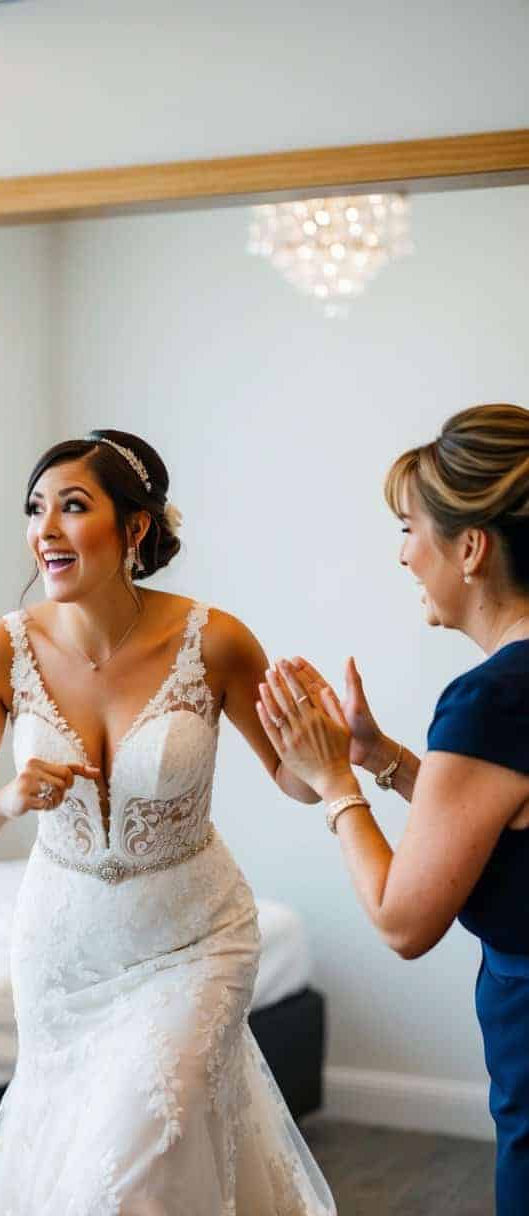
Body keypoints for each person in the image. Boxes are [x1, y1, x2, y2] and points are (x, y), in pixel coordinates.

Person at [0, 429, 335, 1215]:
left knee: (130, 1172)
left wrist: (322, 755)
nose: (45, 529)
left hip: (194, 939)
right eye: (35, 509)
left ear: (133, 528)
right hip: (63, 955)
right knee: (77, 1169)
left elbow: (294, 780)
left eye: (73, 507)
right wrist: (4, 801)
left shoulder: (213, 640)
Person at [256, 404, 529, 1216]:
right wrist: (384, 760)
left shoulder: (489, 699)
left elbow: (401, 921)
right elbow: (501, 825)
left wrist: (332, 779)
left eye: (409, 528)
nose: (403, 554)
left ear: (470, 547)